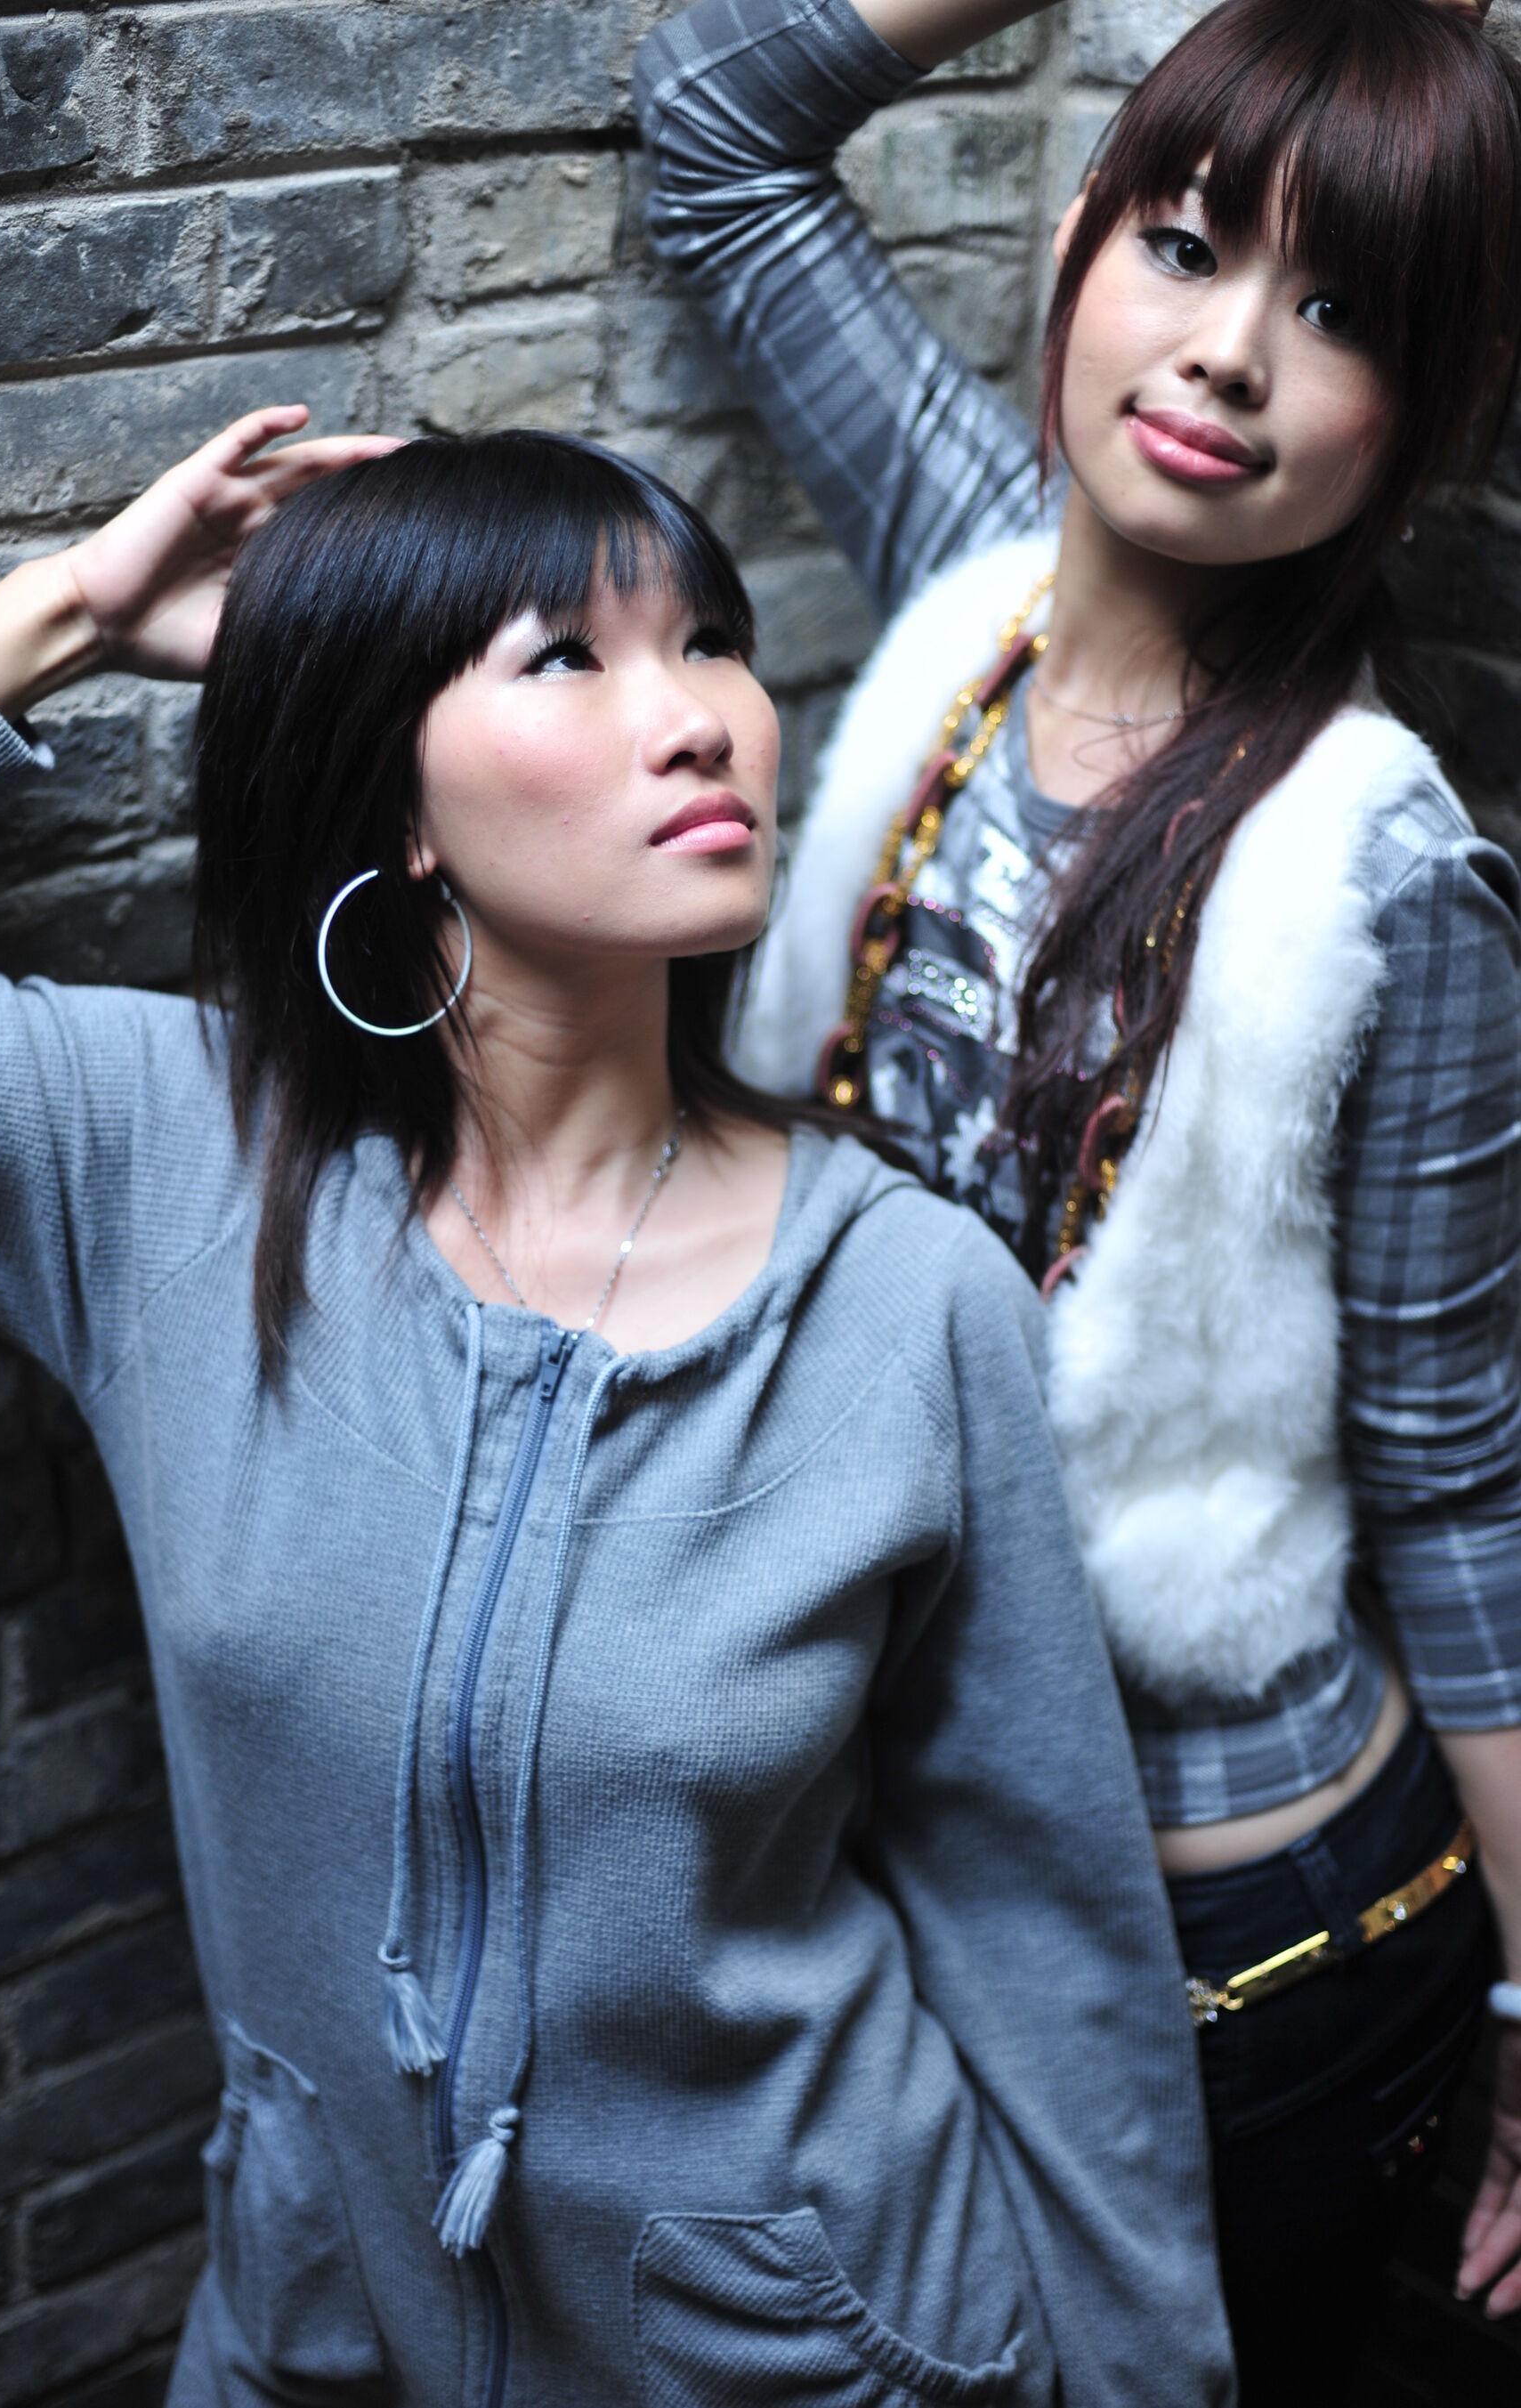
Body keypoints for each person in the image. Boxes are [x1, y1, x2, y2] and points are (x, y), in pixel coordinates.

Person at [0, 411, 1234, 2404]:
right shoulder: (169, 1173)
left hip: (810, 2349)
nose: (702, 717)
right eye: (567, 656)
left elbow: (1053, 1943)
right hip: (319, 2337)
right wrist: (69, 616)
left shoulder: (906, 1304)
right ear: (401, 803)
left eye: (709, 642)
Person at [635, 0, 1521, 2396]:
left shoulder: (1386, 877)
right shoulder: (969, 567)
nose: (1229, 353)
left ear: (1422, 422)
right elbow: (720, 124)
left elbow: (1456, 1476)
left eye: (1341, 313)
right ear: (1075, 247)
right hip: (880, 1822)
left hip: (1238, 1928)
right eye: (1189, 245)